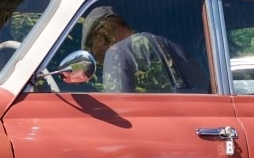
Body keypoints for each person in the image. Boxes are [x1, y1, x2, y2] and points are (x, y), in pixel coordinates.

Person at [80, 6, 211, 93]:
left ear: (102, 33)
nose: (92, 50)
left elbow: (118, 108)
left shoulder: (118, 53)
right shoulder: (166, 45)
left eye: (91, 43)